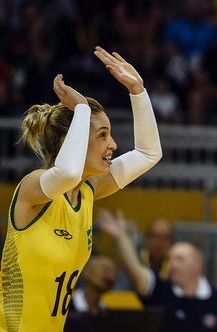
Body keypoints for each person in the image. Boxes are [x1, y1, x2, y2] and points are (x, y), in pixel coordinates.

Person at [0, 47, 163, 331]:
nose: (113, 145)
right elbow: (67, 172)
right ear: (71, 141)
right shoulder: (33, 188)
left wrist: (138, 91)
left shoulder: (88, 192)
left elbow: (149, 154)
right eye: (102, 135)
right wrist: (82, 110)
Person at [97, 209, 217, 332]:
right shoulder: (161, 291)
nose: (172, 264)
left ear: (197, 265)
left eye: (179, 259)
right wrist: (122, 237)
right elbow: (136, 273)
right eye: (170, 259)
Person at [64, 255, 119, 332]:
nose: (110, 276)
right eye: (105, 269)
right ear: (87, 272)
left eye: (114, 272)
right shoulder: (66, 308)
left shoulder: (108, 315)